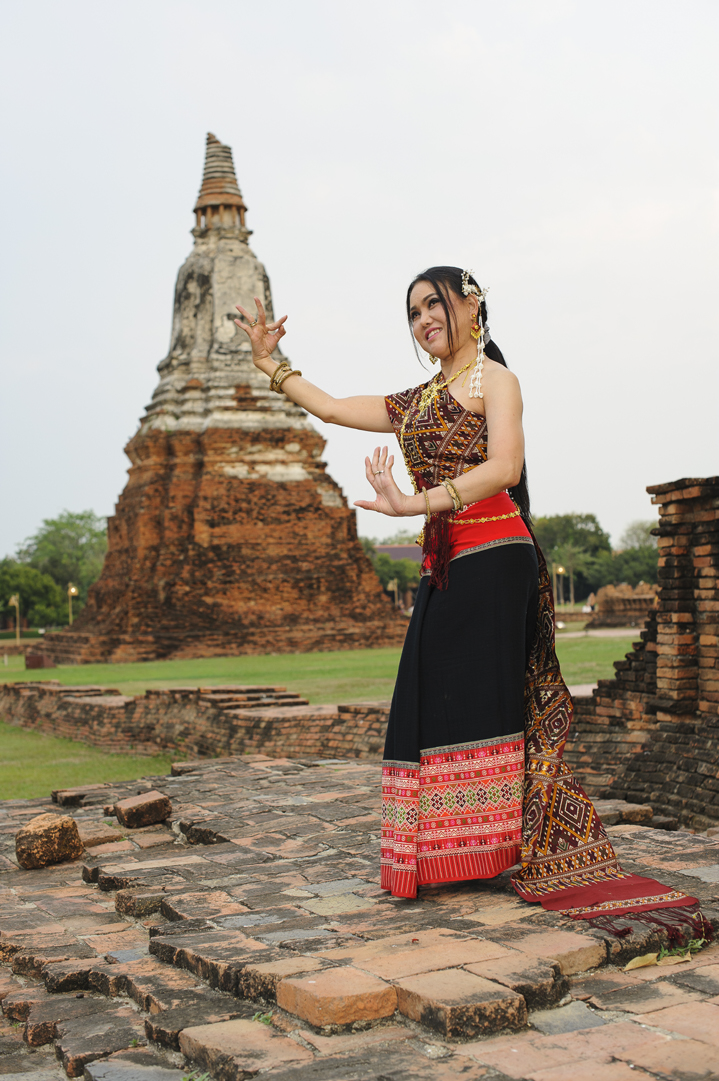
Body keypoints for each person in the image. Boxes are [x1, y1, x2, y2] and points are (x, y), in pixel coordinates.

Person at [234, 267, 701, 928]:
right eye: (413, 312)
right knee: (431, 698)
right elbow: (336, 407)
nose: (424, 319)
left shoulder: (494, 381)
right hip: (446, 563)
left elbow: (504, 467)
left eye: (434, 303)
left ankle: (483, 848)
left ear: (471, 305)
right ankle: (455, 851)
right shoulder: (416, 399)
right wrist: (269, 362)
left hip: (494, 555)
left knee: (482, 700)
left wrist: (414, 501)